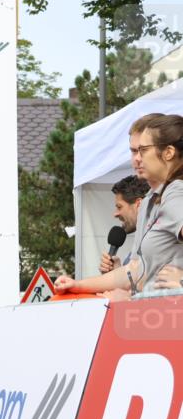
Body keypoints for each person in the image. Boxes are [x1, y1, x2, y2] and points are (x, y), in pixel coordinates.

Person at [56, 114, 183, 297]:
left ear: (169, 153)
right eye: (135, 151)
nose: (138, 158)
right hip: (156, 316)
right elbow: (134, 270)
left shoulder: (176, 191)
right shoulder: (150, 199)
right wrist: (78, 285)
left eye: (143, 150)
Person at [98, 175, 150, 273]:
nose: (115, 214)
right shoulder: (140, 241)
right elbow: (133, 283)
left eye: (119, 207)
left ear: (139, 204)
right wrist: (117, 271)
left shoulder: (157, 240)